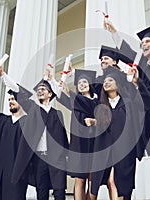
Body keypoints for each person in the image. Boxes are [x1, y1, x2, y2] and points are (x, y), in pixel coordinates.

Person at [104, 21, 150, 200]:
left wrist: (138, 84)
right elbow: (128, 55)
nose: (143, 44)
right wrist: (114, 33)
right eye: (142, 43)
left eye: (147, 41)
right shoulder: (144, 67)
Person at [0, 64, 69, 200]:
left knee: (59, 193)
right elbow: (18, 91)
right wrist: (3, 75)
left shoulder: (57, 114)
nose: (40, 91)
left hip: (56, 159)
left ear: (50, 94)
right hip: (39, 159)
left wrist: (67, 156)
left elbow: (63, 137)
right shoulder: (33, 109)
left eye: (43, 89)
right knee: (42, 193)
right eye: (38, 90)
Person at [88, 70, 144, 200]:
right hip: (104, 149)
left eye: (110, 80)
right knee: (101, 183)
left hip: (124, 150)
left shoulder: (128, 103)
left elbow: (136, 123)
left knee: (120, 184)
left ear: (118, 85)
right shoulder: (100, 104)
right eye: (105, 81)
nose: (106, 83)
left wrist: (138, 148)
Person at [54, 69, 99, 200]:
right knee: (80, 179)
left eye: (84, 81)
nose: (81, 84)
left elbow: (95, 110)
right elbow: (59, 95)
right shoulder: (74, 101)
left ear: (90, 84)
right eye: (79, 83)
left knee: (92, 179)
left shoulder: (97, 101)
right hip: (79, 145)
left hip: (95, 143)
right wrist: (52, 80)